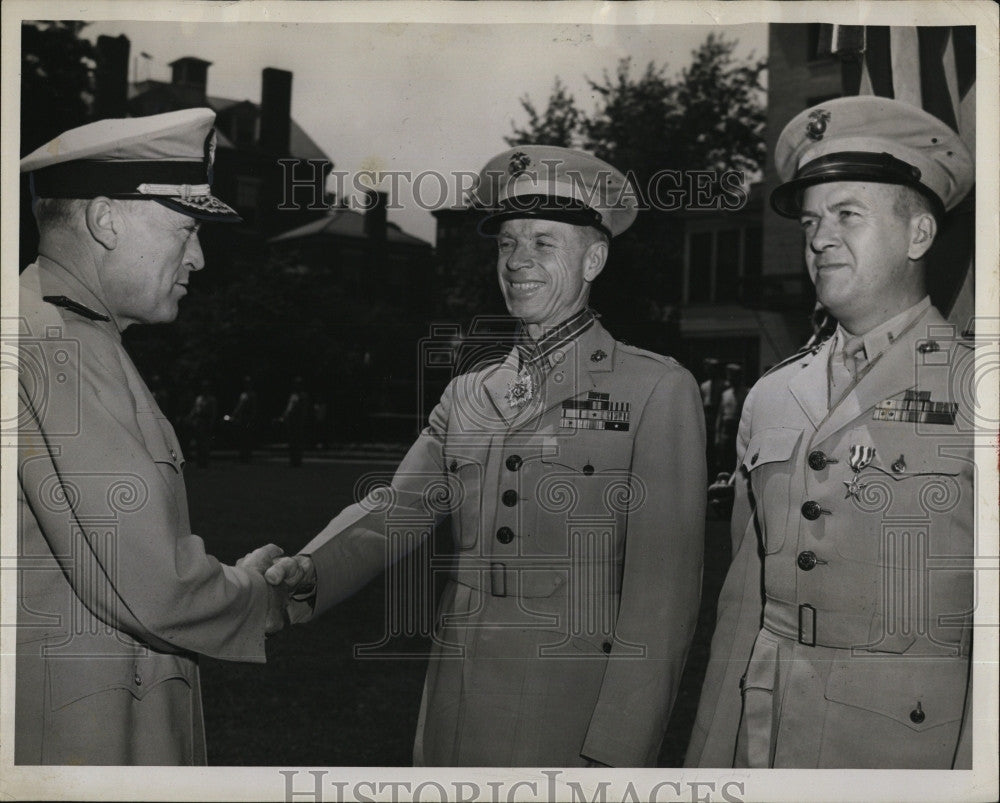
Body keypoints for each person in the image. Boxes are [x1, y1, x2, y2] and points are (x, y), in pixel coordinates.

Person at [264, 145, 707, 767]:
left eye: (543, 243)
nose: (518, 262)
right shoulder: (470, 391)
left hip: (570, 705)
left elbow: (664, 594)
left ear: (594, 258)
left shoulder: (657, 389)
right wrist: (313, 568)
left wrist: (619, 747)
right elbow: (398, 509)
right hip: (456, 688)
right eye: (507, 244)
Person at [685, 96, 975, 769]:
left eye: (847, 214)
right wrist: (706, 764)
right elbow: (742, 610)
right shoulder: (772, 394)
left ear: (919, 235)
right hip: (768, 741)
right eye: (812, 220)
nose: (817, 238)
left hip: (905, 755)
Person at [16, 109, 288, 765]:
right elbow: (156, 585)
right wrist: (262, 596)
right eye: (187, 228)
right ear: (107, 220)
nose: (197, 256)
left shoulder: (64, 331)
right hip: (82, 742)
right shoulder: (54, 346)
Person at [713, 362, 748, 473]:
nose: (732, 379)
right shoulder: (725, 394)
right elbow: (720, 416)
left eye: (734, 376)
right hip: (726, 432)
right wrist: (717, 436)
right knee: (725, 460)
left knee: (738, 460)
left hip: (739, 430)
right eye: (730, 376)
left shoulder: (746, 393)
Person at [186, 379, 218, 467]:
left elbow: (213, 413)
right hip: (198, 421)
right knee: (199, 442)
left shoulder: (211, 399)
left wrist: (211, 423)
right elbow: (195, 409)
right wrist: (190, 417)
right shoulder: (199, 398)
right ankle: (199, 461)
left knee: (205, 442)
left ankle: (205, 461)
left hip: (206, 421)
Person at [228, 375, 259, 463]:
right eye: (245, 383)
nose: (246, 384)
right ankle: (243, 455)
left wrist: (252, 418)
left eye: (248, 383)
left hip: (248, 417)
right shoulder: (243, 394)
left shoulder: (252, 394)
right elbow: (239, 407)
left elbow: (254, 408)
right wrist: (234, 415)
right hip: (242, 418)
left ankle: (247, 456)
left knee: (248, 437)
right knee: (242, 437)